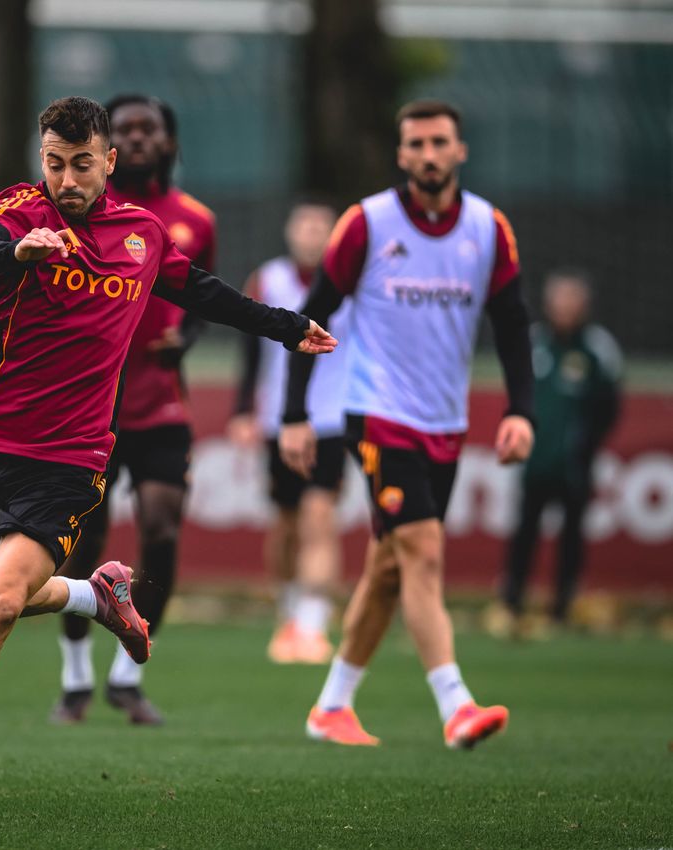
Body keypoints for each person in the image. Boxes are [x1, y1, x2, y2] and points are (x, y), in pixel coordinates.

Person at [0, 96, 336, 804]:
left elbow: (208, 295)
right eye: (55, 163)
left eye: (82, 165)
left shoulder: (143, 234)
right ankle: (92, 595)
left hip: (71, 455)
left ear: (110, 163)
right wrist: (17, 250)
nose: (67, 180)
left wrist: (288, 326)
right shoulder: (21, 211)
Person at [279, 99, 535, 750]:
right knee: (422, 550)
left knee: (390, 568)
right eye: (415, 143)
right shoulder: (367, 223)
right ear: (400, 154)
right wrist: (295, 414)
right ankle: (456, 705)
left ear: (460, 150)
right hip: (378, 416)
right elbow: (313, 314)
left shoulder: (488, 228)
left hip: (445, 423)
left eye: (439, 142)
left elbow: (511, 323)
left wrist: (520, 409)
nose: (427, 154)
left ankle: (331, 706)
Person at [49, 94, 216, 727]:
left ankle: (127, 674)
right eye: (128, 129)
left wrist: (191, 337)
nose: (141, 138)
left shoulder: (196, 220)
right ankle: (74, 677)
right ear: (108, 148)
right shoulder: (84, 211)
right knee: (82, 539)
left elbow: (204, 294)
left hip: (161, 404)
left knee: (162, 529)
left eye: (152, 129)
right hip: (90, 406)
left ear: (169, 143)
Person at [228, 201, 348, 665]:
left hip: (331, 420)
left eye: (322, 227)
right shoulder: (268, 279)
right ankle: (289, 609)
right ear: (290, 231)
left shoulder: (349, 283)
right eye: (305, 226)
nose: (312, 234)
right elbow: (250, 350)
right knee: (286, 525)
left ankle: (313, 626)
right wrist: (243, 409)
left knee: (320, 517)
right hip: (279, 419)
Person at [497, 270, 621, 632]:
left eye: (572, 299)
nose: (564, 307)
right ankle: (512, 602)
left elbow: (610, 406)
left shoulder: (598, 348)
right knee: (524, 532)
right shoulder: (534, 342)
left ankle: (563, 606)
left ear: (584, 305)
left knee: (572, 538)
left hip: (574, 465)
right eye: (559, 299)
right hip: (534, 461)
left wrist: (586, 445)